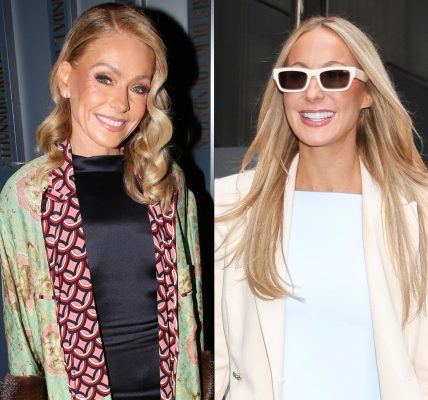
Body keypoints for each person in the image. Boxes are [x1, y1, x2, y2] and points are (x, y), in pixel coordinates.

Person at [215, 16, 428, 400]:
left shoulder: (417, 208)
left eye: (334, 76)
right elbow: (217, 358)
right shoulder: (233, 206)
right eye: (296, 78)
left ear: (368, 93)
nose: (312, 93)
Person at [0, 4, 203, 400]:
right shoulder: (27, 194)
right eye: (105, 78)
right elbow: (19, 329)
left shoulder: (167, 181)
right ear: (66, 79)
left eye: (138, 87)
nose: (122, 103)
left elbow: (192, 306)